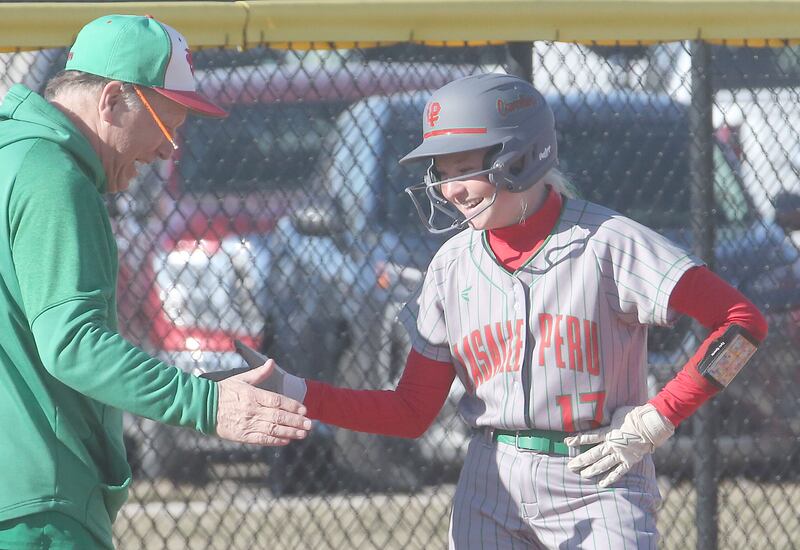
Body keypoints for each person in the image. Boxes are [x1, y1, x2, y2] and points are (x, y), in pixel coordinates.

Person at [236, 73, 768, 548]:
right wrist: (295, 392)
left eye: (465, 168)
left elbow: (744, 324)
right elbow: (409, 412)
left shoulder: (607, 242)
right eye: (442, 172)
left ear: (521, 157)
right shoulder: (450, 267)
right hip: (491, 478)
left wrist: (659, 417)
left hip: (598, 473)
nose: (451, 189)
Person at [0, 14, 312, 550]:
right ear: (114, 99)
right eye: (169, 125)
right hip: (37, 505)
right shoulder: (54, 177)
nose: (171, 150)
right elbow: (72, 345)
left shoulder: (13, 153)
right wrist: (208, 406)